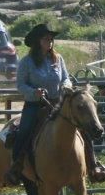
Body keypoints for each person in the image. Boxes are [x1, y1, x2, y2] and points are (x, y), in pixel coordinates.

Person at [5, 23, 72, 183]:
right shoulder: (26, 62)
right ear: (37, 41)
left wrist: (67, 86)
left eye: (51, 39)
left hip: (57, 104)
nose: (50, 41)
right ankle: (17, 165)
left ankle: (91, 163)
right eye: (46, 38)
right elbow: (20, 85)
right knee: (25, 130)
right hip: (35, 105)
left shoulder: (58, 59)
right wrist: (34, 92)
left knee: (79, 125)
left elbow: (66, 78)